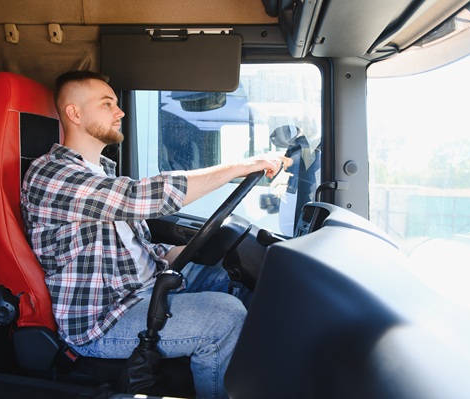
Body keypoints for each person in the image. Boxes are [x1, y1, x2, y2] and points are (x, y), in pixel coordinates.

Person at [20, 70, 282, 399]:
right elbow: (140, 197)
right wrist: (238, 167)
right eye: (107, 103)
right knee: (224, 318)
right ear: (74, 113)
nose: (120, 112)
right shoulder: (53, 174)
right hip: (105, 320)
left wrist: (185, 251)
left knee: (239, 278)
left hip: (144, 288)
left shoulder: (101, 170)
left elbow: (138, 246)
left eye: (116, 103)